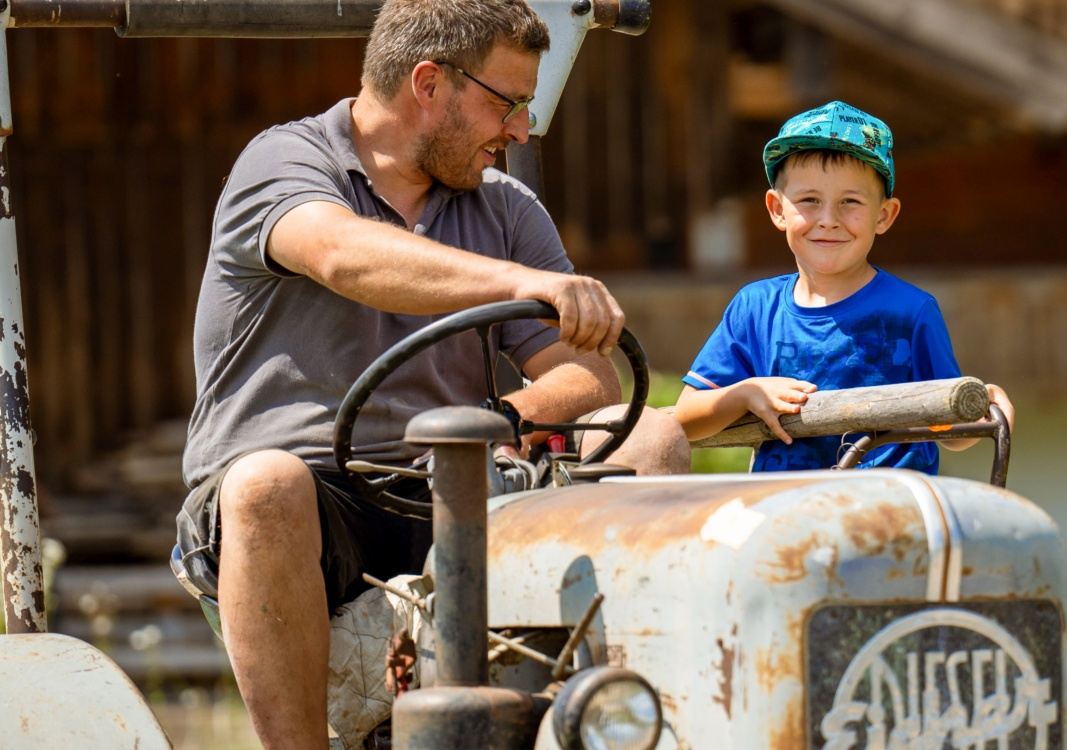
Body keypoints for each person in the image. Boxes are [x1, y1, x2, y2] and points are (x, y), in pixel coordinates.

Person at [173, 0, 688, 746]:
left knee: (648, 437)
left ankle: (626, 724)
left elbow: (589, 376)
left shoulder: (505, 207)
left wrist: (503, 422)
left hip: (454, 486)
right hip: (312, 505)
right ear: (428, 83)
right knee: (265, 484)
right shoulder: (286, 162)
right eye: (507, 104)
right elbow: (343, 256)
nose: (520, 130)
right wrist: (522, 284)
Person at [673, 101, 1012, 473]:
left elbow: (953, 431)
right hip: (786, 503)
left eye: (850, 202)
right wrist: (744, 394)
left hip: (887, 503)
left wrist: (982, 404)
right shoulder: (754, 309)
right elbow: (685, 420)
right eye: (809, 200)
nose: (828, 220)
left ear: (884, 215)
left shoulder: (911, 311)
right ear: (777, 210)